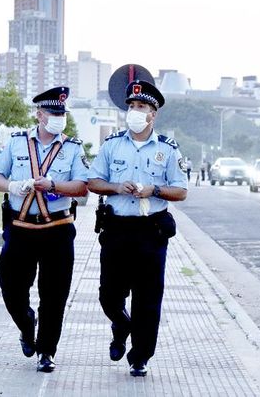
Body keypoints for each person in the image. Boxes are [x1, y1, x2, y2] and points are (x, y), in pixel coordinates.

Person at [88, 79, 188, 377]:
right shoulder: (112, 144)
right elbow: (94, 182)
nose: (134, 111)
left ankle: (140, 356)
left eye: (140, 106)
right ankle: (121, 324)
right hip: (117, 229)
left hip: (151, 231)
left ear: (152, 114)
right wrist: (117, 186)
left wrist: (154, 190)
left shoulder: (168, 149)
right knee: (109, 295)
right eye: (131, 106)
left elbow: (180, 191)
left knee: (148, 299)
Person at [0, 86, 89, 373]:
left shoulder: (73, 148)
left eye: (62, 113)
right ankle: (25, 323)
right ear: (39, 114)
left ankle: (47, 351)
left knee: (55, 294)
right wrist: (12, 186)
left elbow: (83, 187)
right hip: (20, 229)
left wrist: (54, 185)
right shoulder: (16, 142)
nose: (59, 117)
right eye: (54, 112)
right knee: (11, 288)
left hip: (57, 230)